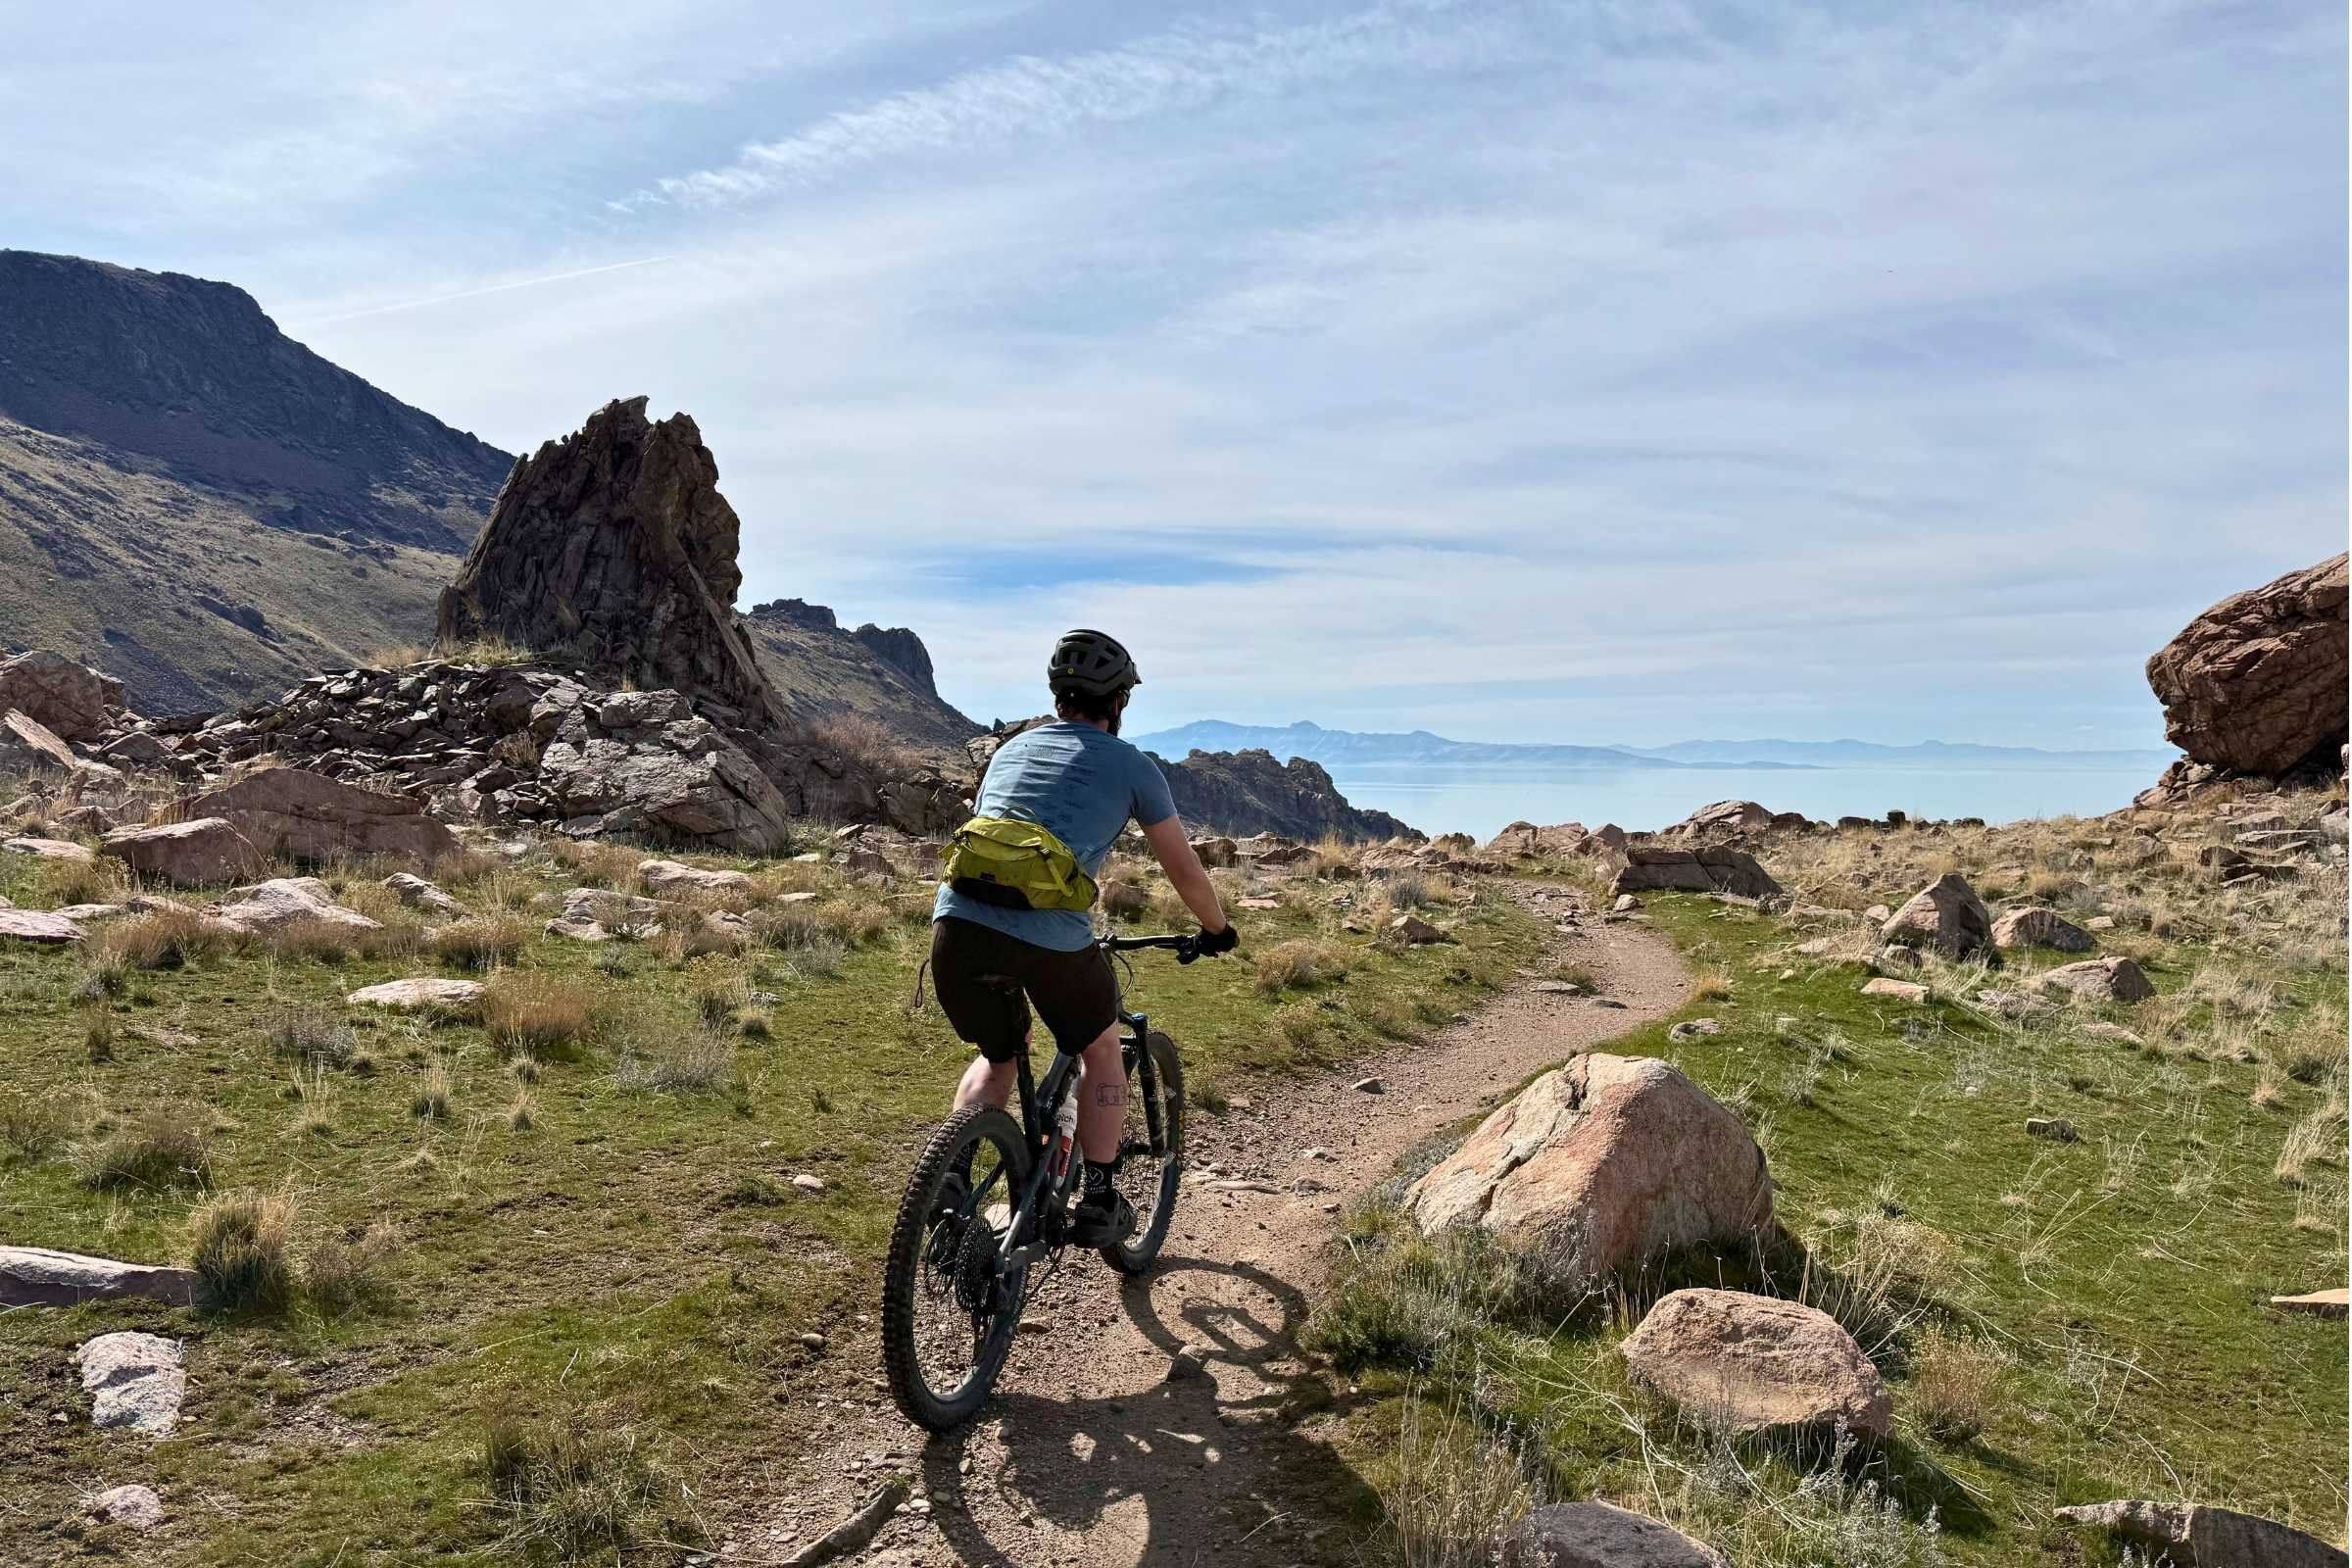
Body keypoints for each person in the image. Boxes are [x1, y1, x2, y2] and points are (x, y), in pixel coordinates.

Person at [929, 628, 1237, 1246]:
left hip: (956, 927)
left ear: (1058, 696)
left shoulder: (1011, 752)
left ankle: (950, 1180)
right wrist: (1217, 929)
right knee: (1101, 1048)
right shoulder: (1133, 767)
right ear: (1118, 702)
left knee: (999, 1057)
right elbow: (1182, 867)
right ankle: (1099, 1198)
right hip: (1050, 938)